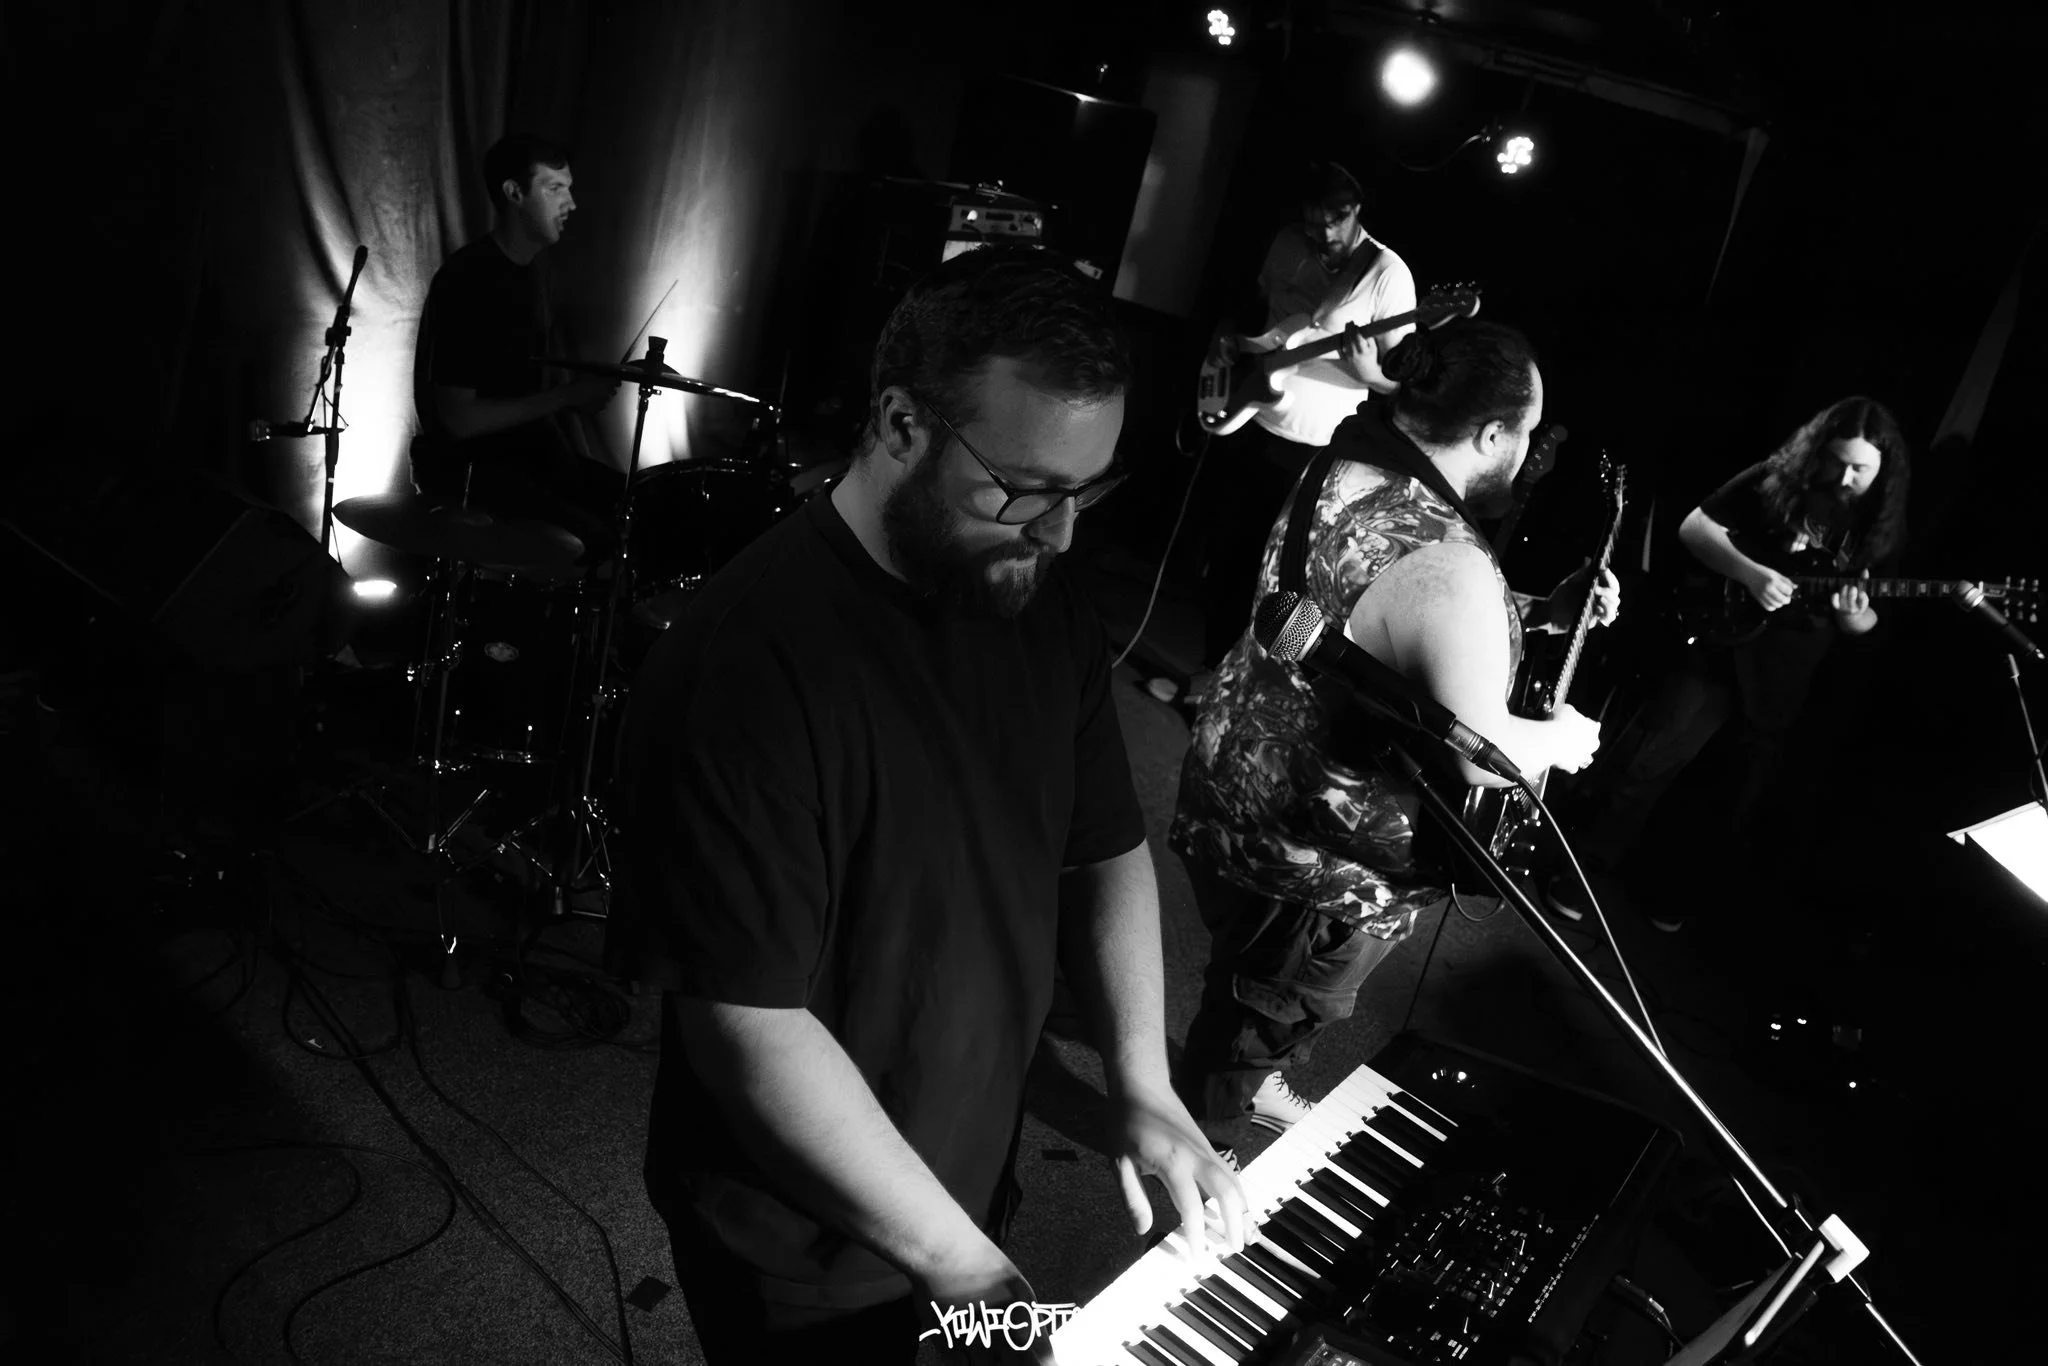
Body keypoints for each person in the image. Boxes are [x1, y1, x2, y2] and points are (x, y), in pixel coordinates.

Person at [618, 246, 1247, 1364]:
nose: (1058, 534)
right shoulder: (750, 666)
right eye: (1022, 487)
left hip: (965, 1167)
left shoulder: (1034, 602)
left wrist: (1139, 1081)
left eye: (1086, 490)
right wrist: (977, 1280)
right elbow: (745, 1022)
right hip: (800, 1242)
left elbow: (1102, 850)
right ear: (899, 424)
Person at [1169, 319, 1618, 1154]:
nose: (1529, 454)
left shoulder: (1346, 466)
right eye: (1529, 434)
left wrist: (1540, 612)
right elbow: (1479, 757)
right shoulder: (1448, 562)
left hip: (1236, 776)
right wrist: (1559, 739)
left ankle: (1239, 1073)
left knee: (1248, 979)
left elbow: (1380, 612)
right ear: (1492, 434)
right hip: (1319, 865)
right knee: (1264, 1010)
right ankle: (1204, 1151)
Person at [1546, 396, 1910, 931]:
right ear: (1819, 451)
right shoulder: (1776, 478)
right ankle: (1577, 874)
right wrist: (1750, 574)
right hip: (1717, 647)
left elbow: (1871, 624)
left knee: (1728, 796)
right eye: (1838, 461)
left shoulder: (1880, 525)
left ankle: (1667, 894)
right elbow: (1695, 528)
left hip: (1784, 673)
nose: (1846, 477)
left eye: (1862, 468)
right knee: (1645, 763)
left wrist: (1854, 617)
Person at [1156, 160, 1418, 710]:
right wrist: (1228, 343)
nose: (1324, 232)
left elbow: (1399, 383)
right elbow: (1261, 312)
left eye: (1337, 219)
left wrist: (1369, 373)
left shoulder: (1386, 274)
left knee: (1285, 578)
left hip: (1315, 448)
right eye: (1314, 220)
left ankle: (1266, 694)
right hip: (1253, 420)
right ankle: (1213, 674)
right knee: (1228, 555)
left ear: (1357, 211)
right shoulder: (1285, 244)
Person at [410, 131, 621, 559]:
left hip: (529, 465)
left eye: (570, 189)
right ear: (514, 193)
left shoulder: (533, 275)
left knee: (643, 504)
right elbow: (460, 420)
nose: (571, 203)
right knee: (603, 540)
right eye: (555, 188)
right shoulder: (470, 279)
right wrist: (566, 396)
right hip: (481, 478)